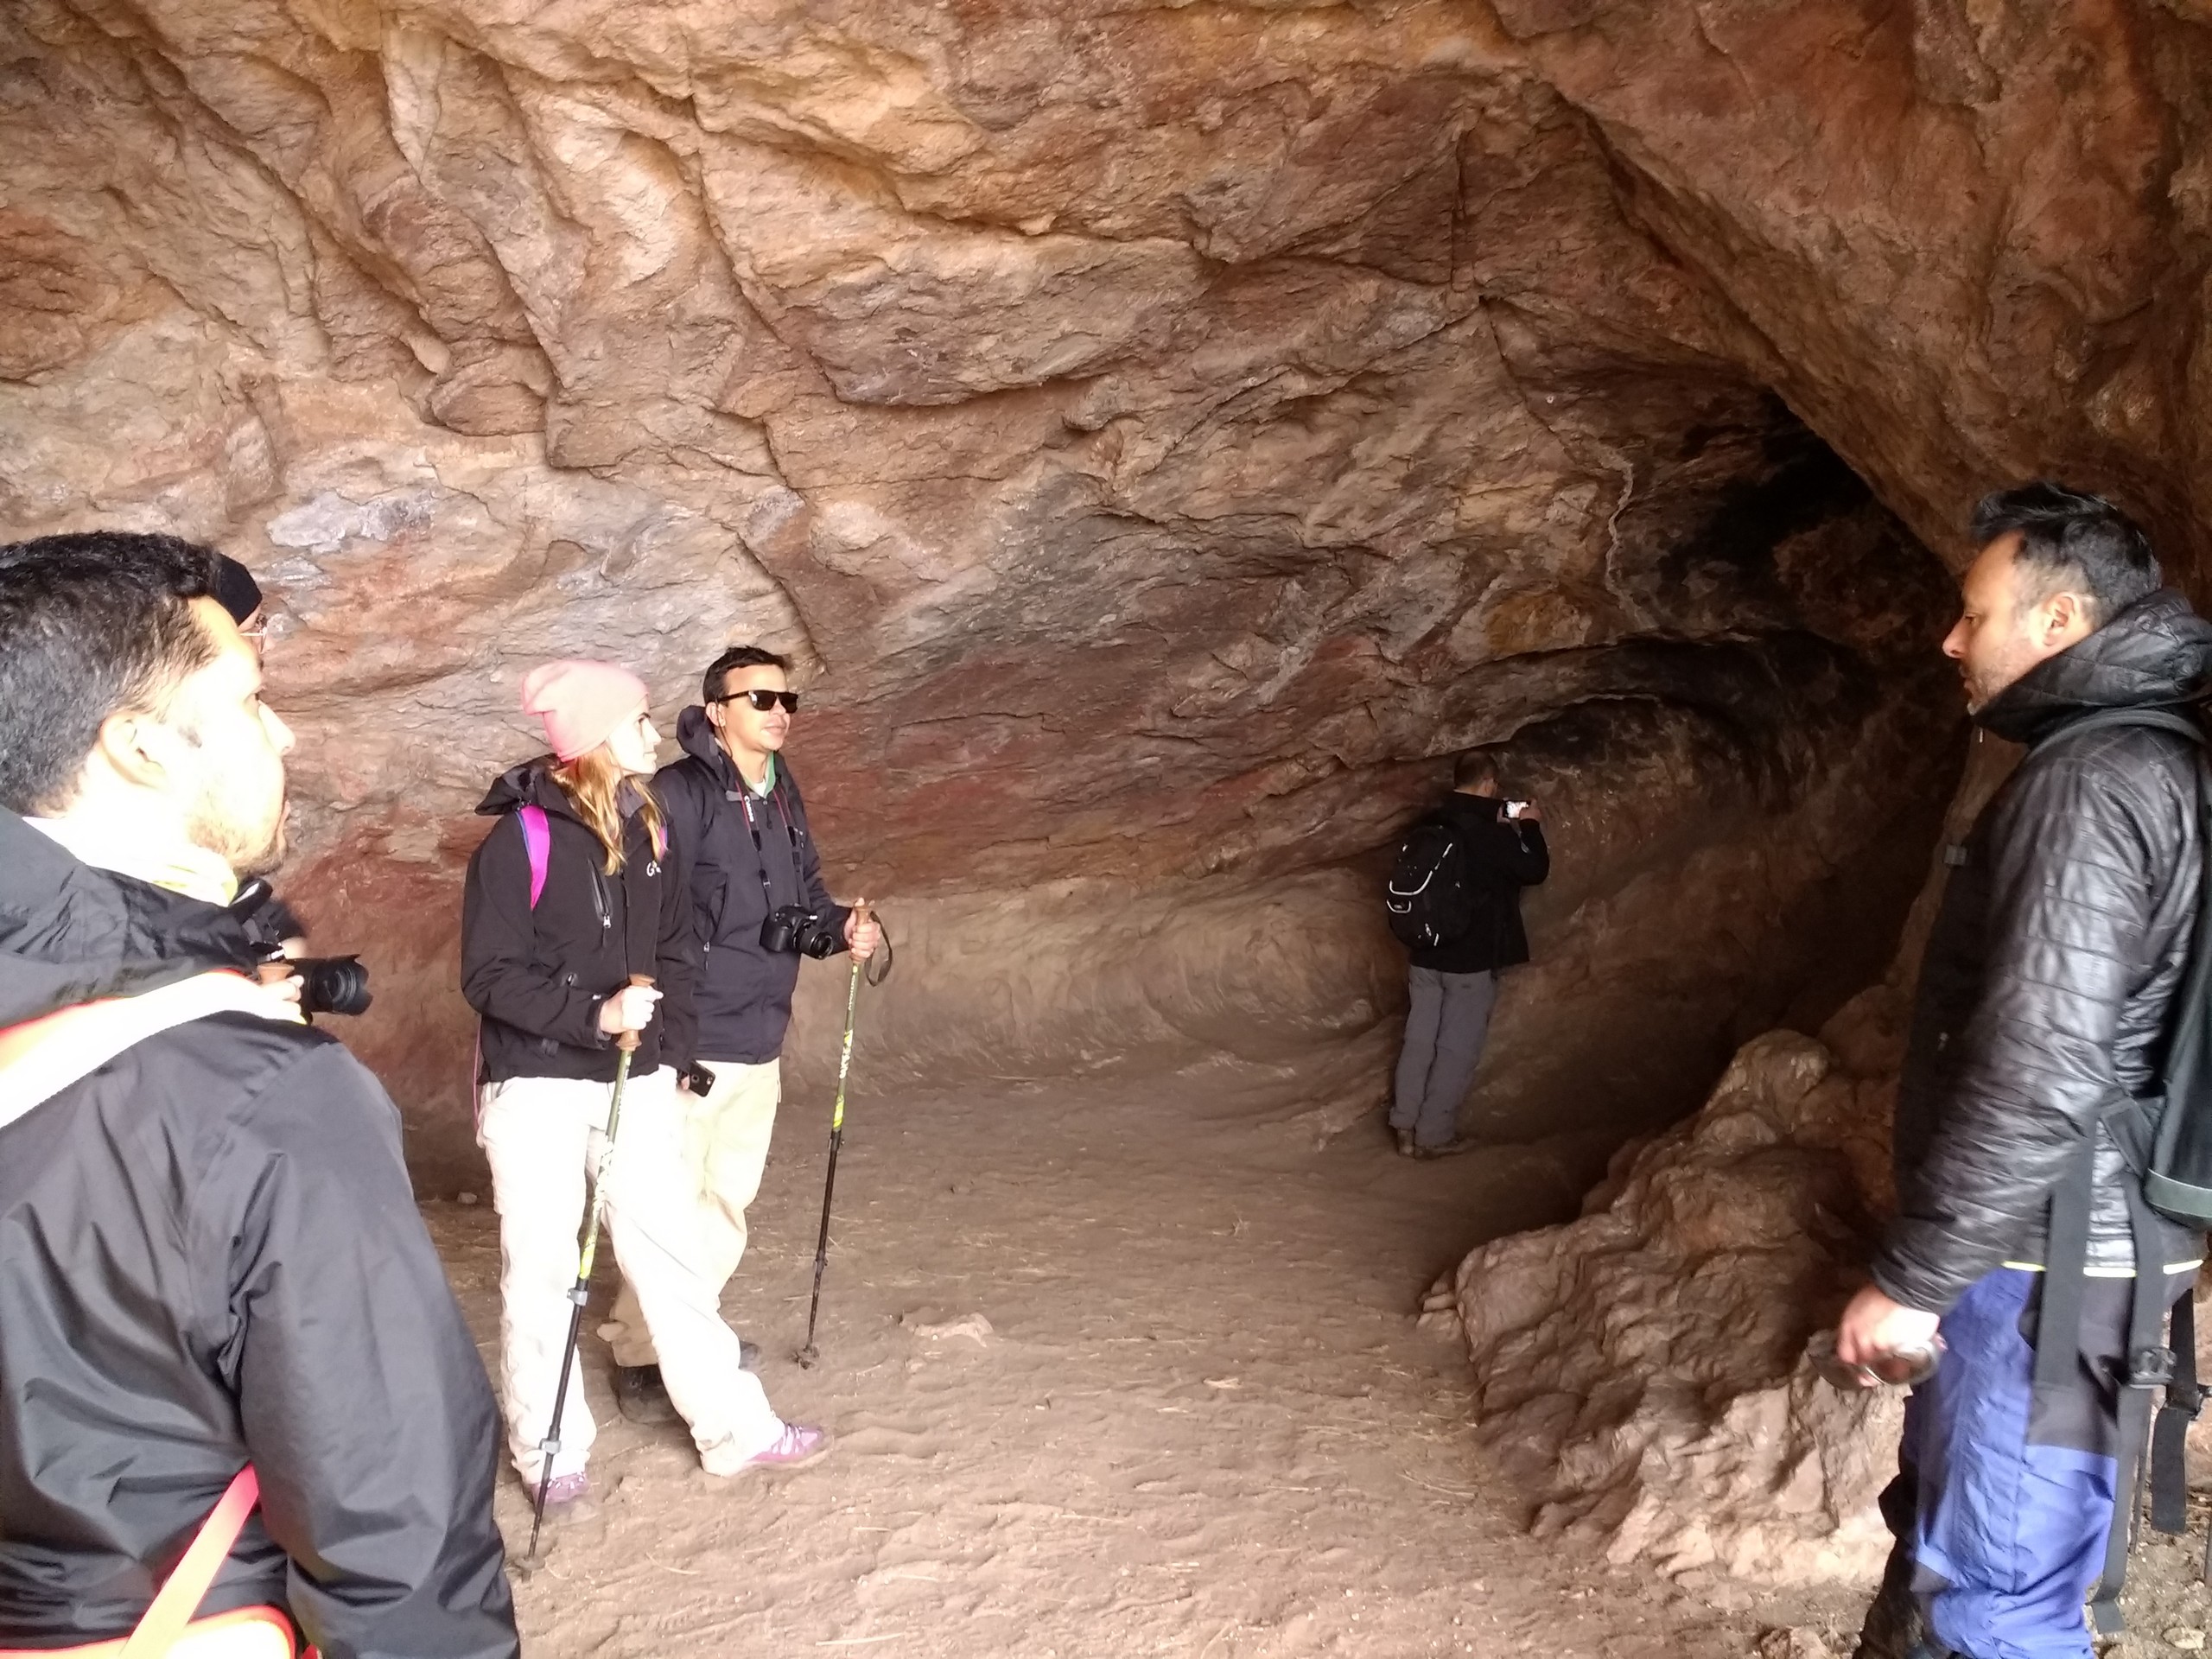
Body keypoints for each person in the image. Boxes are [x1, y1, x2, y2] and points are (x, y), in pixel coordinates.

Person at [0, 531, 518, 1657]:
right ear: (138, 746)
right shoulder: (258, 1096)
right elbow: (393, 1532)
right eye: (245, 700)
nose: (279, 731)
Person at [1838, 484, 2212, 1659]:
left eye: (1974, 611)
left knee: (1999, 1596)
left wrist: (1915, 1276)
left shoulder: (2090, 784)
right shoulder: (2160, 760)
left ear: (2058, 623)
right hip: (2104, 1237)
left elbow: (2041, 1064)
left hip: (2044, 1256)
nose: (1952, 638)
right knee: (2009, 1562)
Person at [460, 659, 830, 1499]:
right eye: (634, 721)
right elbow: (489, 978)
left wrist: (666, 1052)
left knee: (674, 1258)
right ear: (595, 737)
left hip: (636, 1077)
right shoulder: (520, 841)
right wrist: (593, 1016)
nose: (652, 733)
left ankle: (734, 1429)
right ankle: (551, 1451)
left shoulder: (647, 828)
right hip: (539, 1084)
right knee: (544, 1271)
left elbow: (672, 957)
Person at [599, 645, 880, 1421]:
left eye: (786, 698)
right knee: (670, 1205)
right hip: (693, 1036)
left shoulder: (784, 793)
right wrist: (668, 1036)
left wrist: (838, 932)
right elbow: (642, 913)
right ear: (717, 711)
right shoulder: (678, 795)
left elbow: (806, 897)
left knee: (726, 1202)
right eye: (758, 698)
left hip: (760, 1034)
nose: (778, 710)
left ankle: (683, 1335)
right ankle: (638, 1352)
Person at [1388, 753, 1549, 1159]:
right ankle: (1434, 1136)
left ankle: (1404, 1126)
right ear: (1490, 783)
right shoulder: (1490, 834)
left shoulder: (1430, 823)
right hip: (1470, 959)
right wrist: (1528, 825)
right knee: (1456, 1047)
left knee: (1418, 1041)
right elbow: (1534, 869)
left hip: (1423, 954)